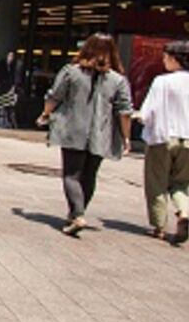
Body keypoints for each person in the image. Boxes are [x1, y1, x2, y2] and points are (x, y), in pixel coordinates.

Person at [36, 33, 133, 237]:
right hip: (101, 133)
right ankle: (76, 214)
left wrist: (45, 114)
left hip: (72, 130)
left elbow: (54, 96)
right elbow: (124, 111)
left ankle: (77, 214)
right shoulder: (118, 80)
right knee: (89, 175)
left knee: (72, 174)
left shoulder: (72, 72)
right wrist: (126, 137)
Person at [139, 40, 189, 245]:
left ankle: (159, 226)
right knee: (181, 183)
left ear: (175, 59)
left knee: (156, 182)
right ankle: (183, 213)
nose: (164, 61)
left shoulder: (162, 81)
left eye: (166, 57)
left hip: (163, 137)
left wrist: (139, 118)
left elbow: (148, 111)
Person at [0, 50, 21, 129]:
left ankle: (9, 122)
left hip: (10, 87)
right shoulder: (2, 64)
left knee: (10, 105)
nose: (11, 58)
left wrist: (13, 87)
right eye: (10, 56)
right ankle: (3, 122)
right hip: (4, 86)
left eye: (12, 56)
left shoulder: (15, 66)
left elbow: (16, 77)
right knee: (3, 104)